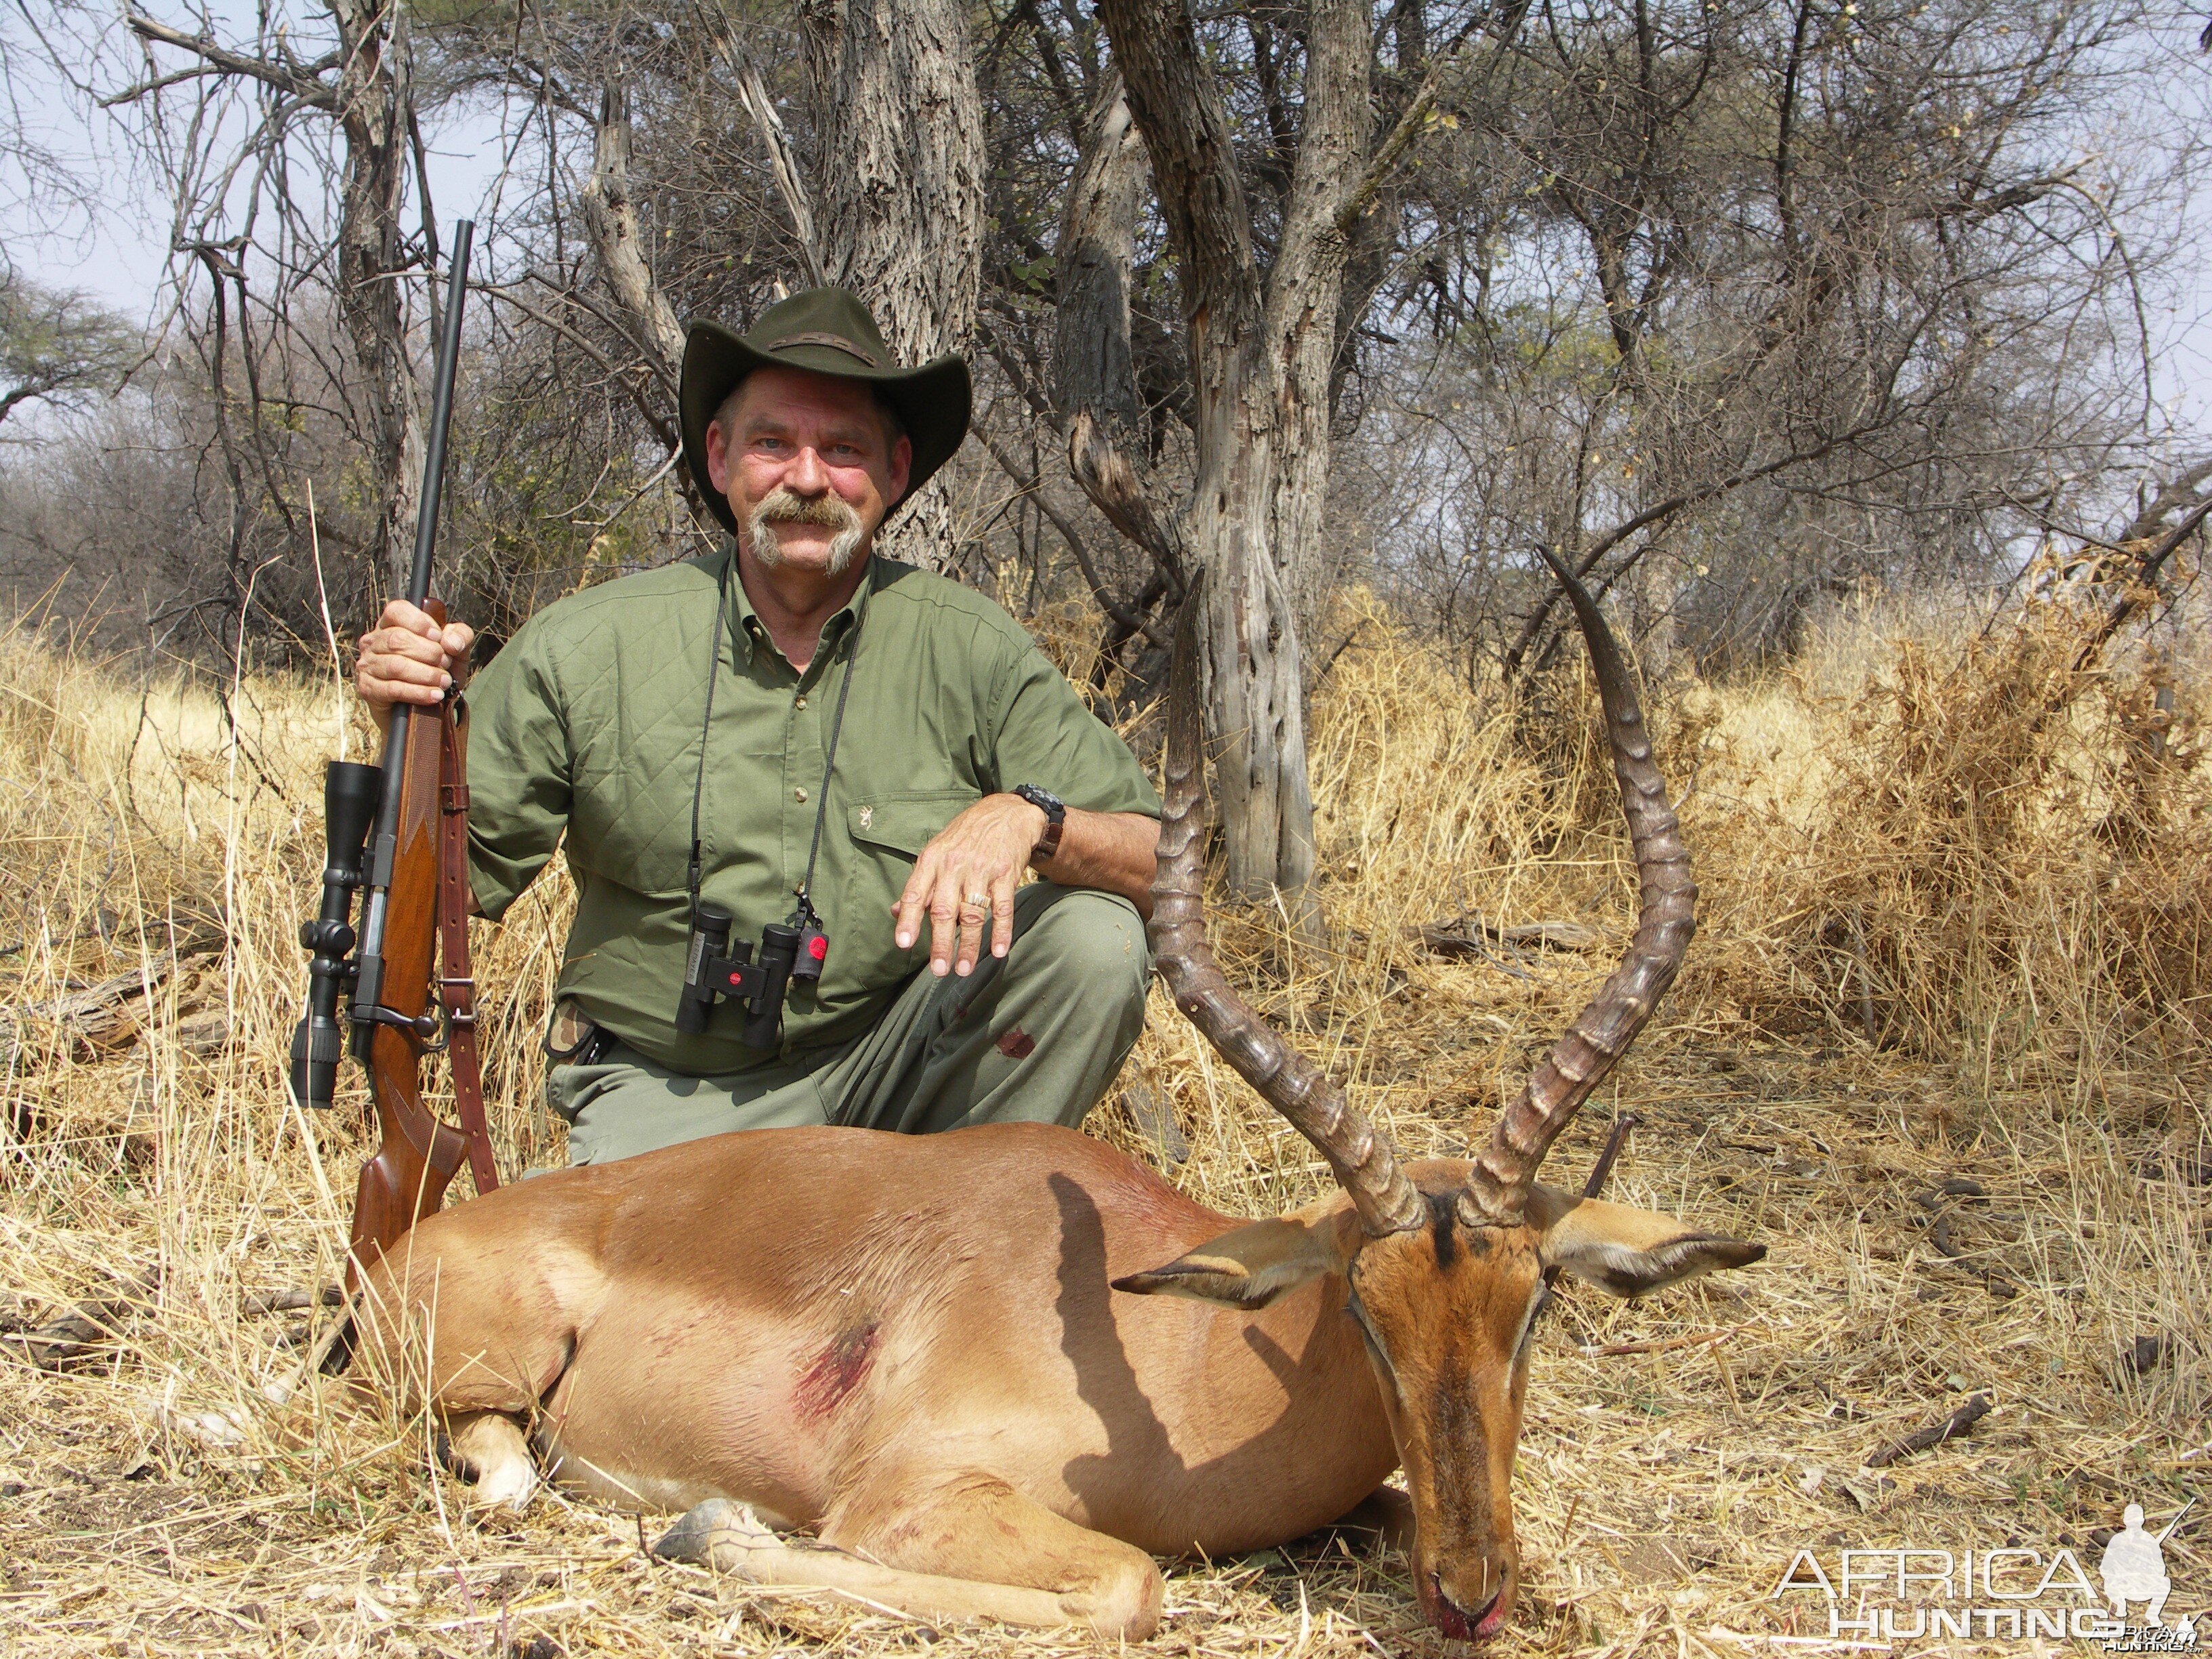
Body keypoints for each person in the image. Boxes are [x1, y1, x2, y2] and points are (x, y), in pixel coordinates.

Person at [354, 288, 1162, 1166]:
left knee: (1096, 941)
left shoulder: (971, 647)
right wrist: (413, 730)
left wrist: (1032, 819)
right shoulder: (584, 647)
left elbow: (1166, 859)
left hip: (892, 1077)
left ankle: (951, 1256)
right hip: (667, 1094)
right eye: (774, 442)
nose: (808, 480)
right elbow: (443, 885)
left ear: (894, 470)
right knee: (642, 1302)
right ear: (720, 457)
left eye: (843, 450)